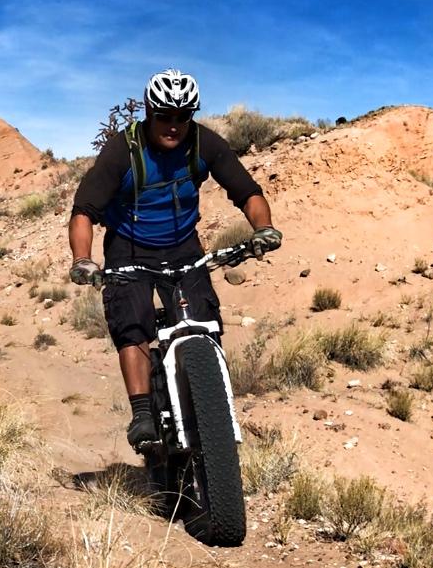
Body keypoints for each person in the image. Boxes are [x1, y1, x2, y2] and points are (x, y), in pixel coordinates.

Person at [67, 68, 282, 452]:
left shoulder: (205, 143)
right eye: (165, 116)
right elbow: (84, 210)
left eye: (183, 116)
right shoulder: (124, 150)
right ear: (150, 111)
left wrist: (263, 228)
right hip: (129, 248)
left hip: (182, 245)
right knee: (132, 322)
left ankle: (208, 398)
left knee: (205, 319)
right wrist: (83, 259)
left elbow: (247, 191)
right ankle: (142, 413)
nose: (174, 125)